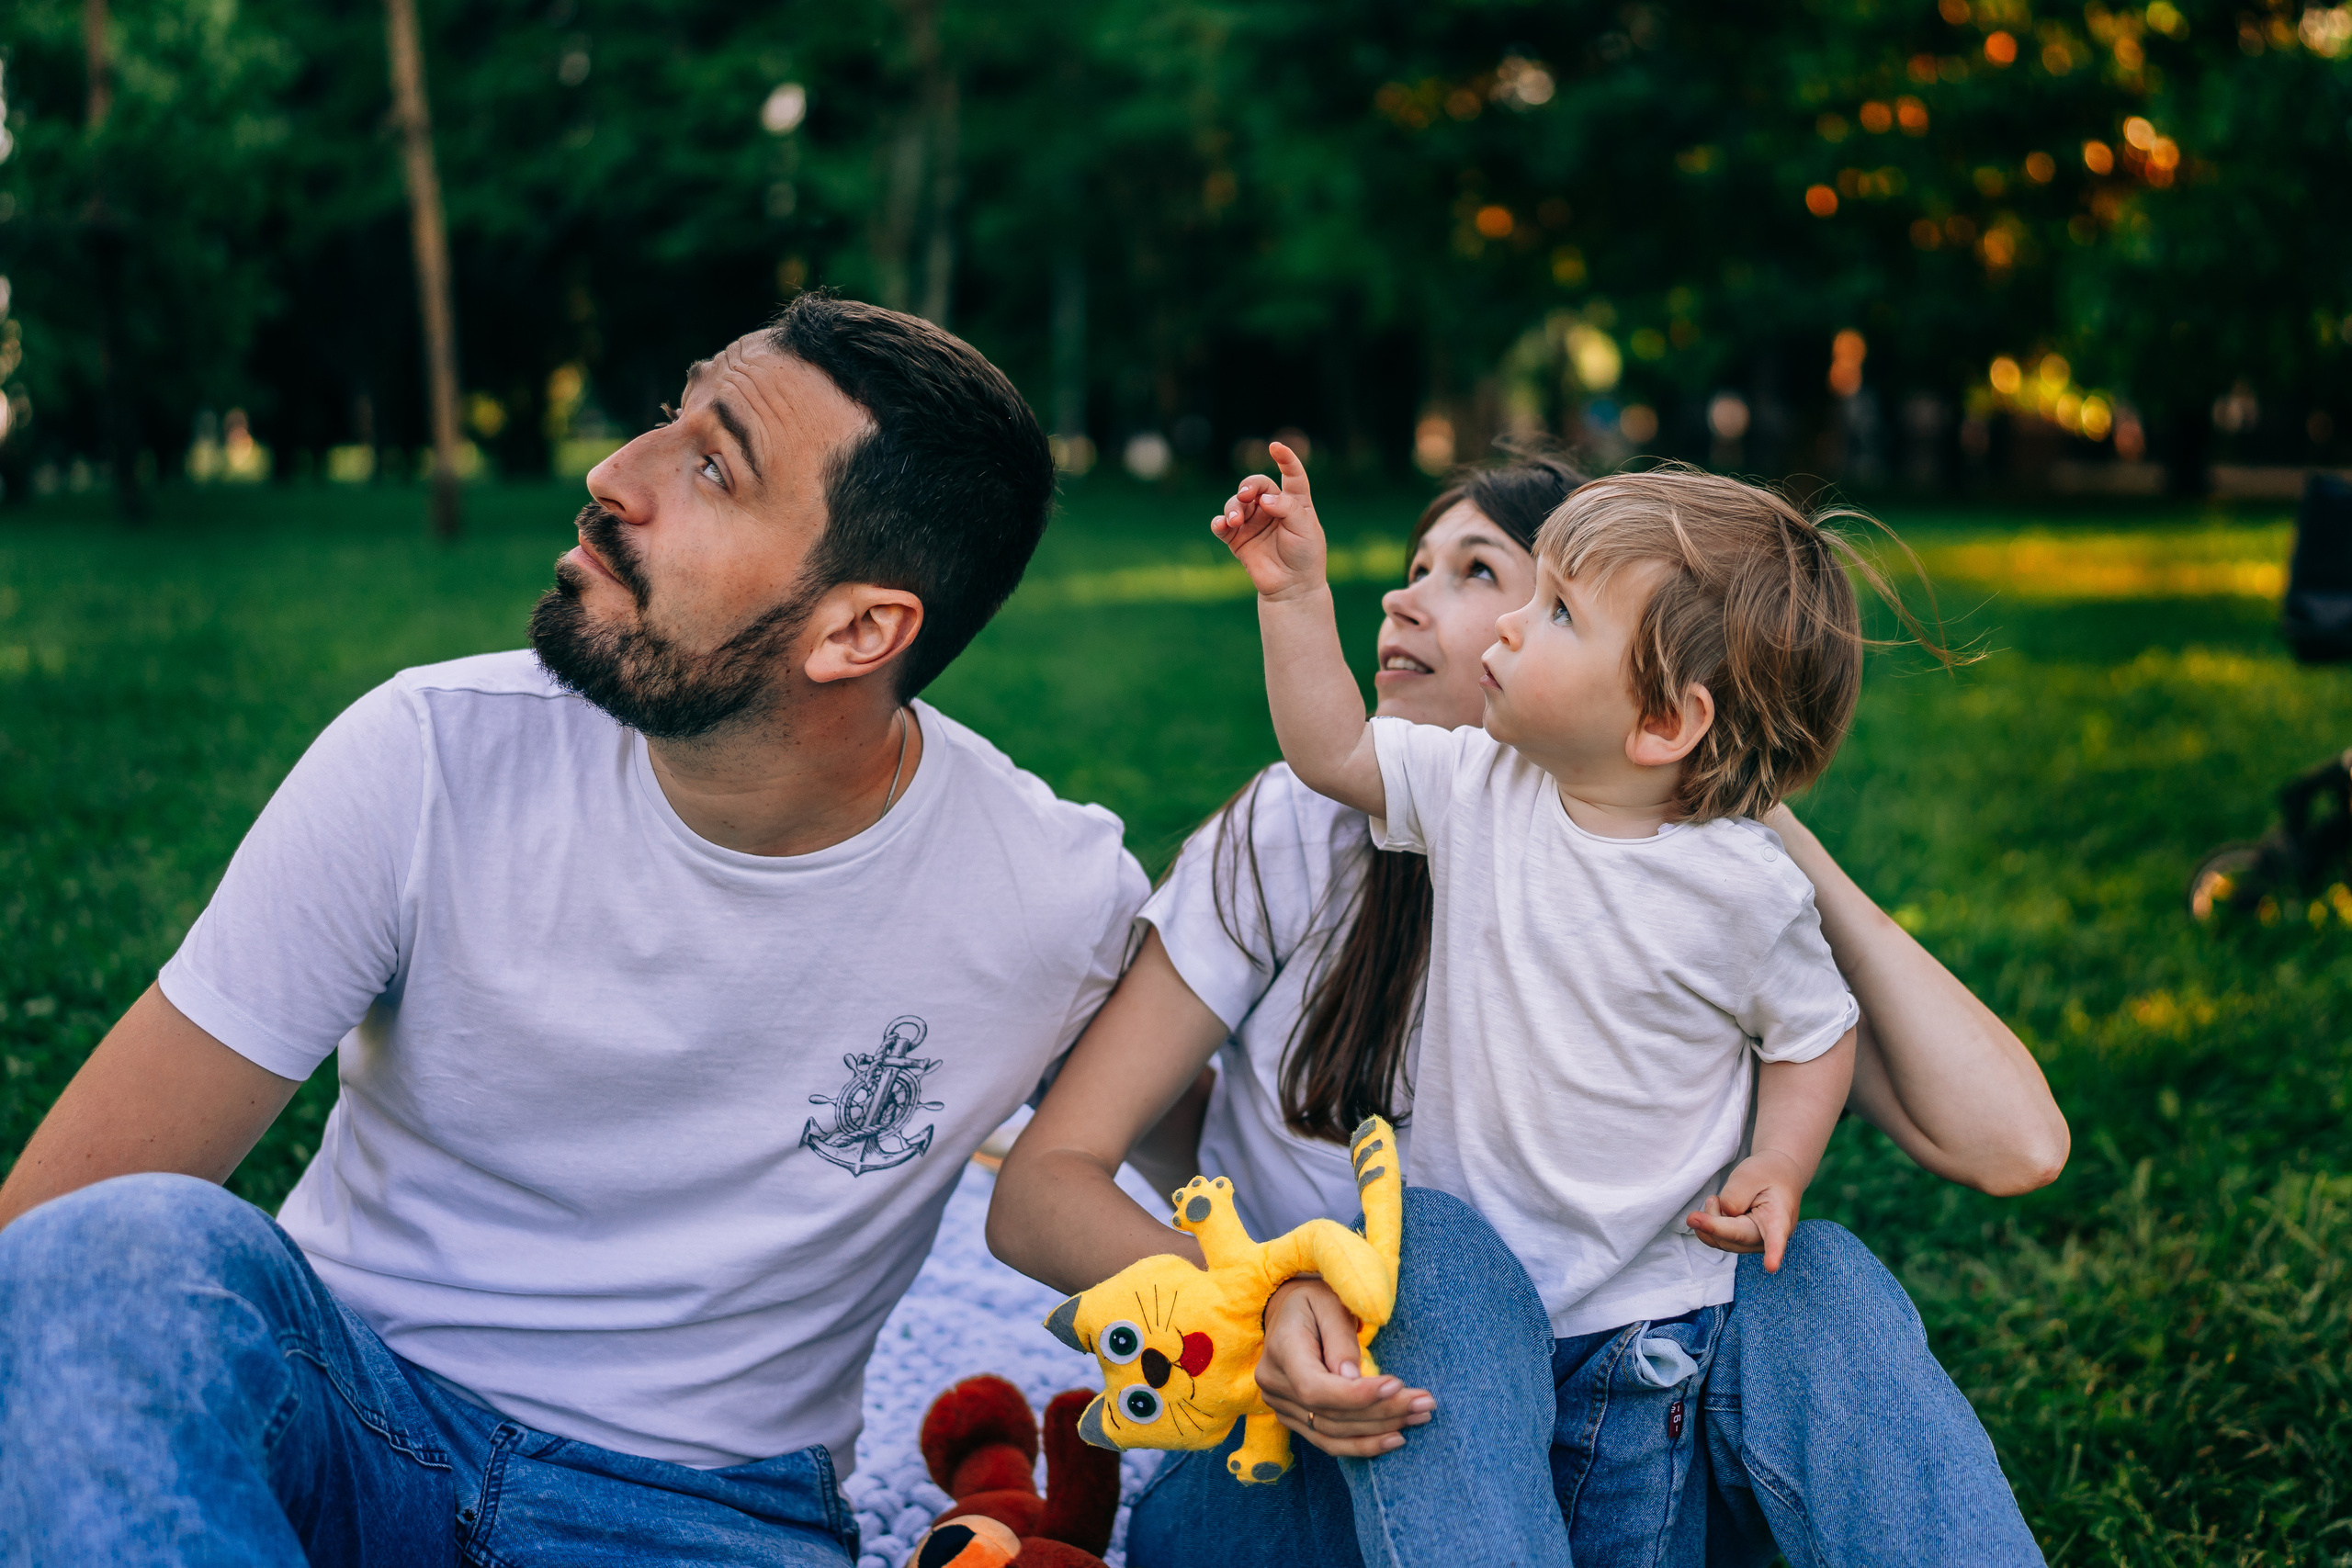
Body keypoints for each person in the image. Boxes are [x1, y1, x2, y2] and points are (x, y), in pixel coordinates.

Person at [0, 295, 1148, 1566]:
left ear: (859, 630)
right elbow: (51, 1241)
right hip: (346, 1415)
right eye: (673, 417)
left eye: (715, 466)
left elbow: (1251, 1152)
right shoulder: (427, 755)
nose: (615, 475)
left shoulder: (1052, 893)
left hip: (706, 1516)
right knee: (112, 1253)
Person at [989, 447, 2068, 1568]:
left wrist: (1733, 817)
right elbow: (1037, 1190)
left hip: (1623, 1427)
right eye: (1416, 562)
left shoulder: (1719, 898)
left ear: (1658, 710)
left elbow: (2011, 1143)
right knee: (1430, 1249)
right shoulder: (1333, 820)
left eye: (1485, 576)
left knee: (1818, 1284)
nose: (1405, 596)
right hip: (1339, 1453)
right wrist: (1259, 1310)